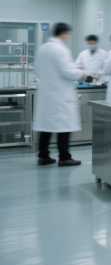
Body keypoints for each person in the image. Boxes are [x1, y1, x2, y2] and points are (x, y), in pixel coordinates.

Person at [33, 22, 85, 166]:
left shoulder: (43, 49)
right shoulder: (60, 49)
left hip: (47, 95)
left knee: (46, 126)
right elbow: (68, 71)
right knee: (64, 127)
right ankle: (64, 157)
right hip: (60, 95)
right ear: (64, 33)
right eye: (68, 34)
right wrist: (82, 74)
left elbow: (37, 69)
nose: (68, 37)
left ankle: (43, 156)